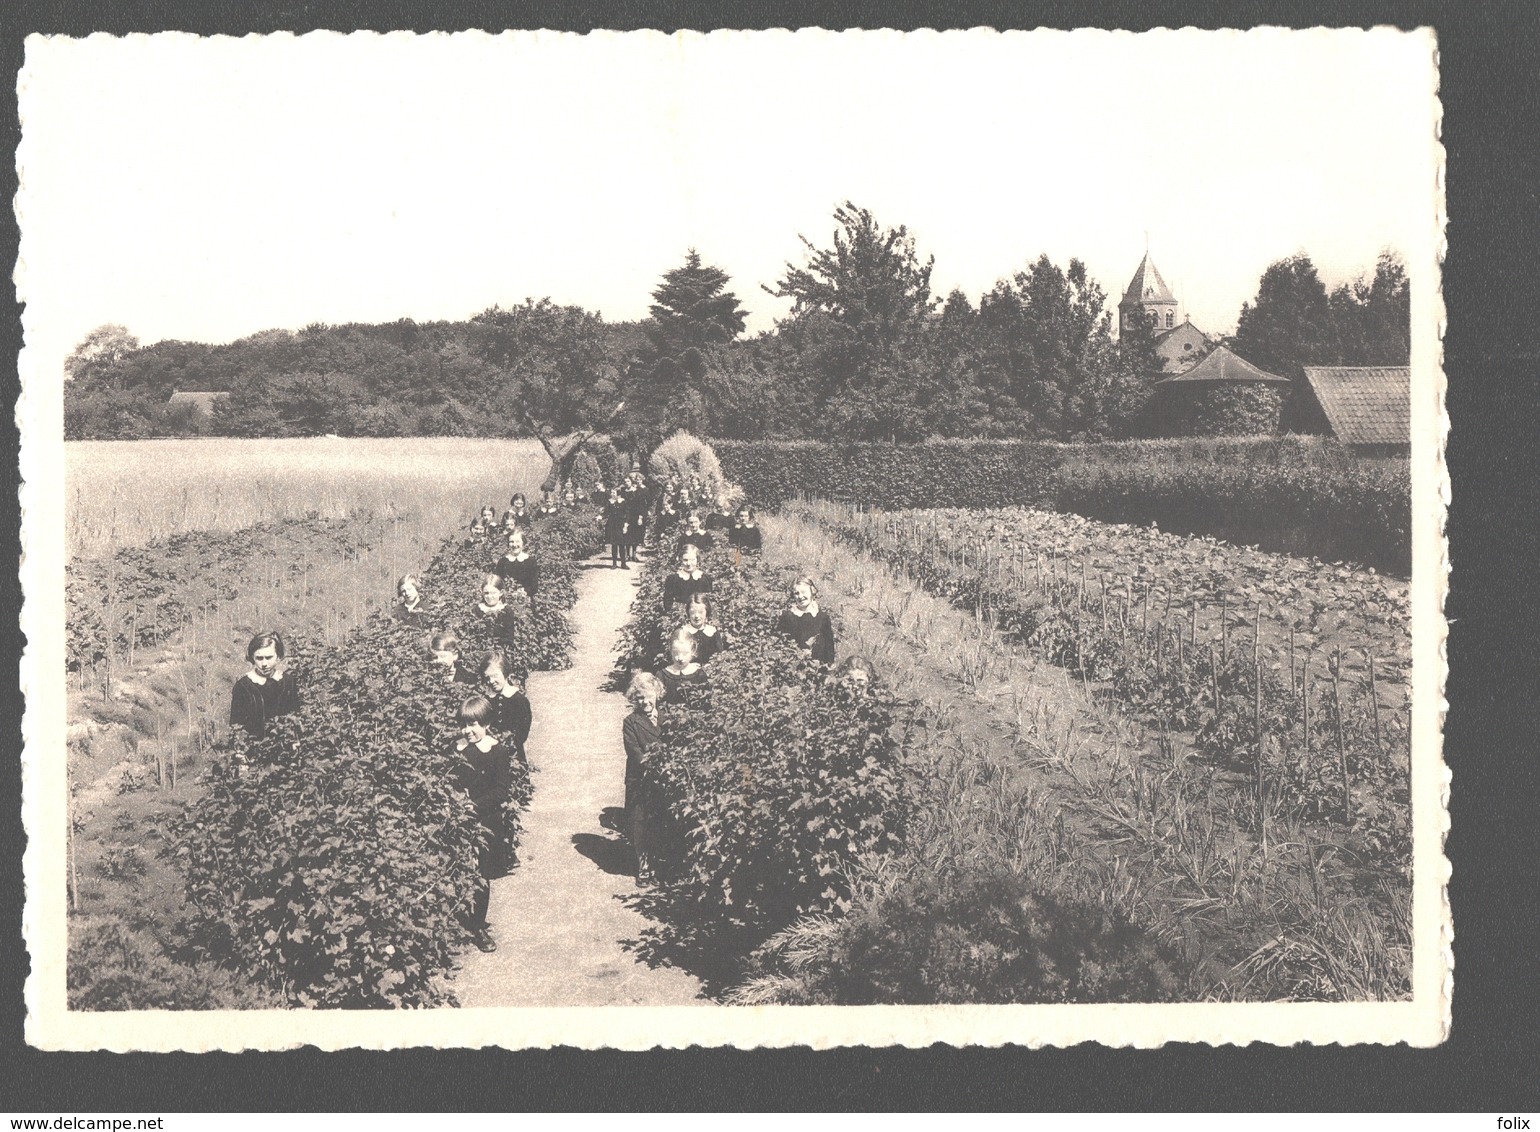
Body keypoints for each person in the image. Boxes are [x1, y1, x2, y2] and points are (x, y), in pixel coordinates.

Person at [452, 696, 512, 952]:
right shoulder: (457, 749)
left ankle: (478, 926)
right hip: (457, 819)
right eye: (465, 725)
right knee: (459, 870)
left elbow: (501, 791)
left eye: (474, 724)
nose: (469, 731)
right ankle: (456, 921)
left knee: (482, 875)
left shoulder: (497, 751)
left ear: (486, 723)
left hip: (486, 822)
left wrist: (473, 807)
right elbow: (450, 781)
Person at [622, 671, 665, 887]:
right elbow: (634, 751)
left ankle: (658, 865)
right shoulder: (631, 722)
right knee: (639, 823)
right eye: (639, 697)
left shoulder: (668, 717)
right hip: (640, 778)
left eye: (648, 695)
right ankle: (643, 866)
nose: (645, 701)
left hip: (664, 778)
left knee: (658, 822)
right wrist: (655, 765)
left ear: (657, 693)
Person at [228, 630, 301, 741]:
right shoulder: (243, 686)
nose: (264, 664)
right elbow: (237, 724)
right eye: (259, 658)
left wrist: (296, 740)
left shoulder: (289, 682)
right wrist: (240, 750)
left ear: (278, 656)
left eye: (269, 657)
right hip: (254, 750)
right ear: (252, 657)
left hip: (285, 748)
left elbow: (296, 716)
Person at [479, 651, 532, 771]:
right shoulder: (487, 700)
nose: (491, 681)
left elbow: (522, 731)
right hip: (489, 750)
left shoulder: (518, 700)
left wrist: (507, 744)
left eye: (495, 675)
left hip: (513, 752)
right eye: (487, 677)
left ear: (505, 673)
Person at [776, 576, 836, 665]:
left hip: (818, 668)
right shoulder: (787, 617)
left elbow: (829, 647)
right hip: (794, 667)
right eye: (796, 593)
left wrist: (828, 667)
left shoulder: (823, 617)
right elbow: (780, 645)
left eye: (804, 592)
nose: (800, 596)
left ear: (812, 591)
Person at [493, 528, 540, 611]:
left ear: (523, 543)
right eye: (511, 542)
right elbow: (497, 584)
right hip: (505, 601)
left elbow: (534, 586)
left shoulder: (531, 562)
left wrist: (521, 593)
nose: (514, 545)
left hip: (525, 602)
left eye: (518, 541)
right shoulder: (502, 562)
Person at [661, 544, 712, 616]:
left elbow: (708, 603)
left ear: (697, 559)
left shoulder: (705, 579)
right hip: (679, 616)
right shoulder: (673, 579)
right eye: (685, 560)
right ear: (680, 559)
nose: (688, 563)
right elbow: (668, 603)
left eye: (692, 560)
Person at [658, 629, 708, 701]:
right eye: (675, 653)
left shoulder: (700, 675)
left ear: (693, 650)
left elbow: (706, 702)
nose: (680, 658)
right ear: (670, 650)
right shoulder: (662, 676)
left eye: (685, 653)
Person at [682, 594, 728, 665]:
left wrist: (711, 665)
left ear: (707, 612)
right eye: (693, 612)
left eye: (700, 612)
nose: (696, 616)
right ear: (688, 612)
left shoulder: (712, 632)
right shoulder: (683, 632)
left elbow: (720, 656)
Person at [604, 486, 631, 569]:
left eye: (613, 493)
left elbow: (627, 514)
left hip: (621, 524)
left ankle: (623, 563)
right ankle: (614, 563)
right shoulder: (609, 502)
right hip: (612, 524)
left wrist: (626, 525)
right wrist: (600, 517)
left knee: (622, 544)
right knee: (614, 544)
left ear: (618, 494)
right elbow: (606, 513)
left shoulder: (623, 502)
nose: (611, 494)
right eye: (611, 492)